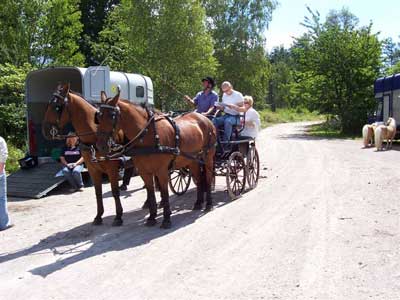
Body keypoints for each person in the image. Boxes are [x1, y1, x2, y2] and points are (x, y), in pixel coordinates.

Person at [0, 136, 11, 231]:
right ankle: (4, 224)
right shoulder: (0, 140)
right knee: (2, 198)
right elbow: (3, 157)